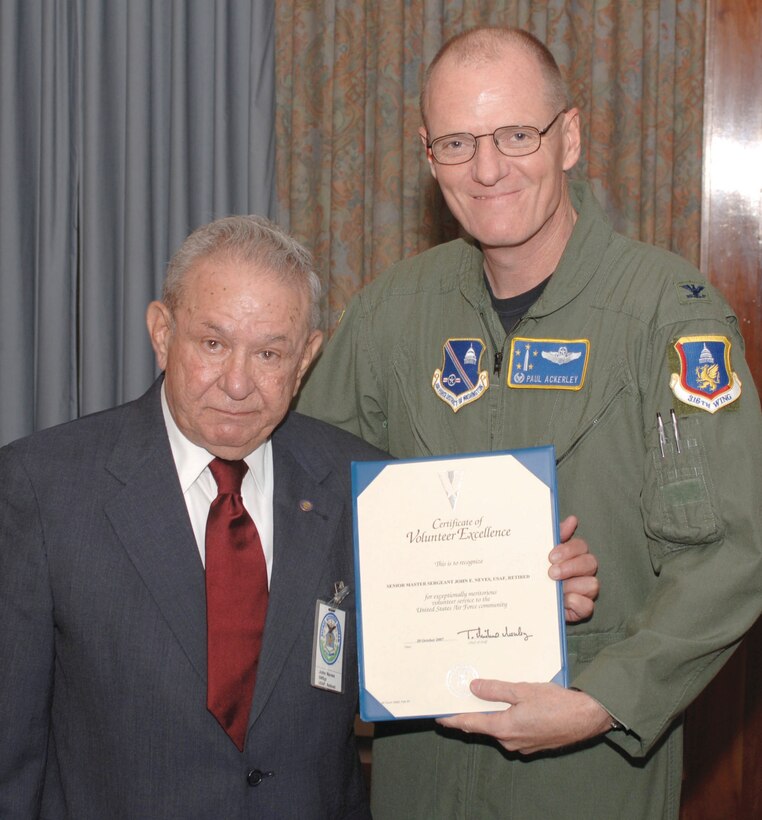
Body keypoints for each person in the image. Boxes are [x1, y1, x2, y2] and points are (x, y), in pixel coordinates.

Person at [296, 26, 762, 820]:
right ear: (427, 152)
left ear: (568, 136)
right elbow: (307, 510)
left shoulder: (667, 317)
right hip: (421, 761)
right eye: (456, 141)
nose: (487, 168)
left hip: (588, 768)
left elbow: (732, 552)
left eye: (517, 134)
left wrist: (603, 701)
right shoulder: (389, 314)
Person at [0, 214, 596, 819]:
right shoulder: (44, 487)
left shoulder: (363, 486)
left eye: (268, 353)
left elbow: (423, 651)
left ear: (307, 356)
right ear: (161, 331)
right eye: (212, 343)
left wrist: (532, 592)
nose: (237, 383)